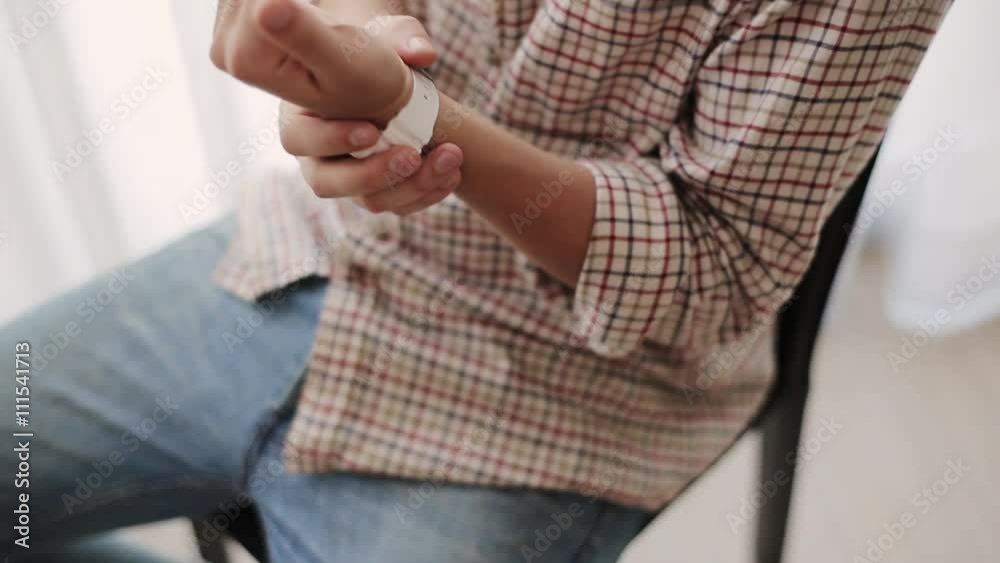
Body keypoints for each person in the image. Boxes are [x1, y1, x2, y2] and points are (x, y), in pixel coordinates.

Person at [2, 1, 952, 561]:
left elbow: (716, 267)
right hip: (298, 256)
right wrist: (340, 38)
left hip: (562, 394)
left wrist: (410, 115)